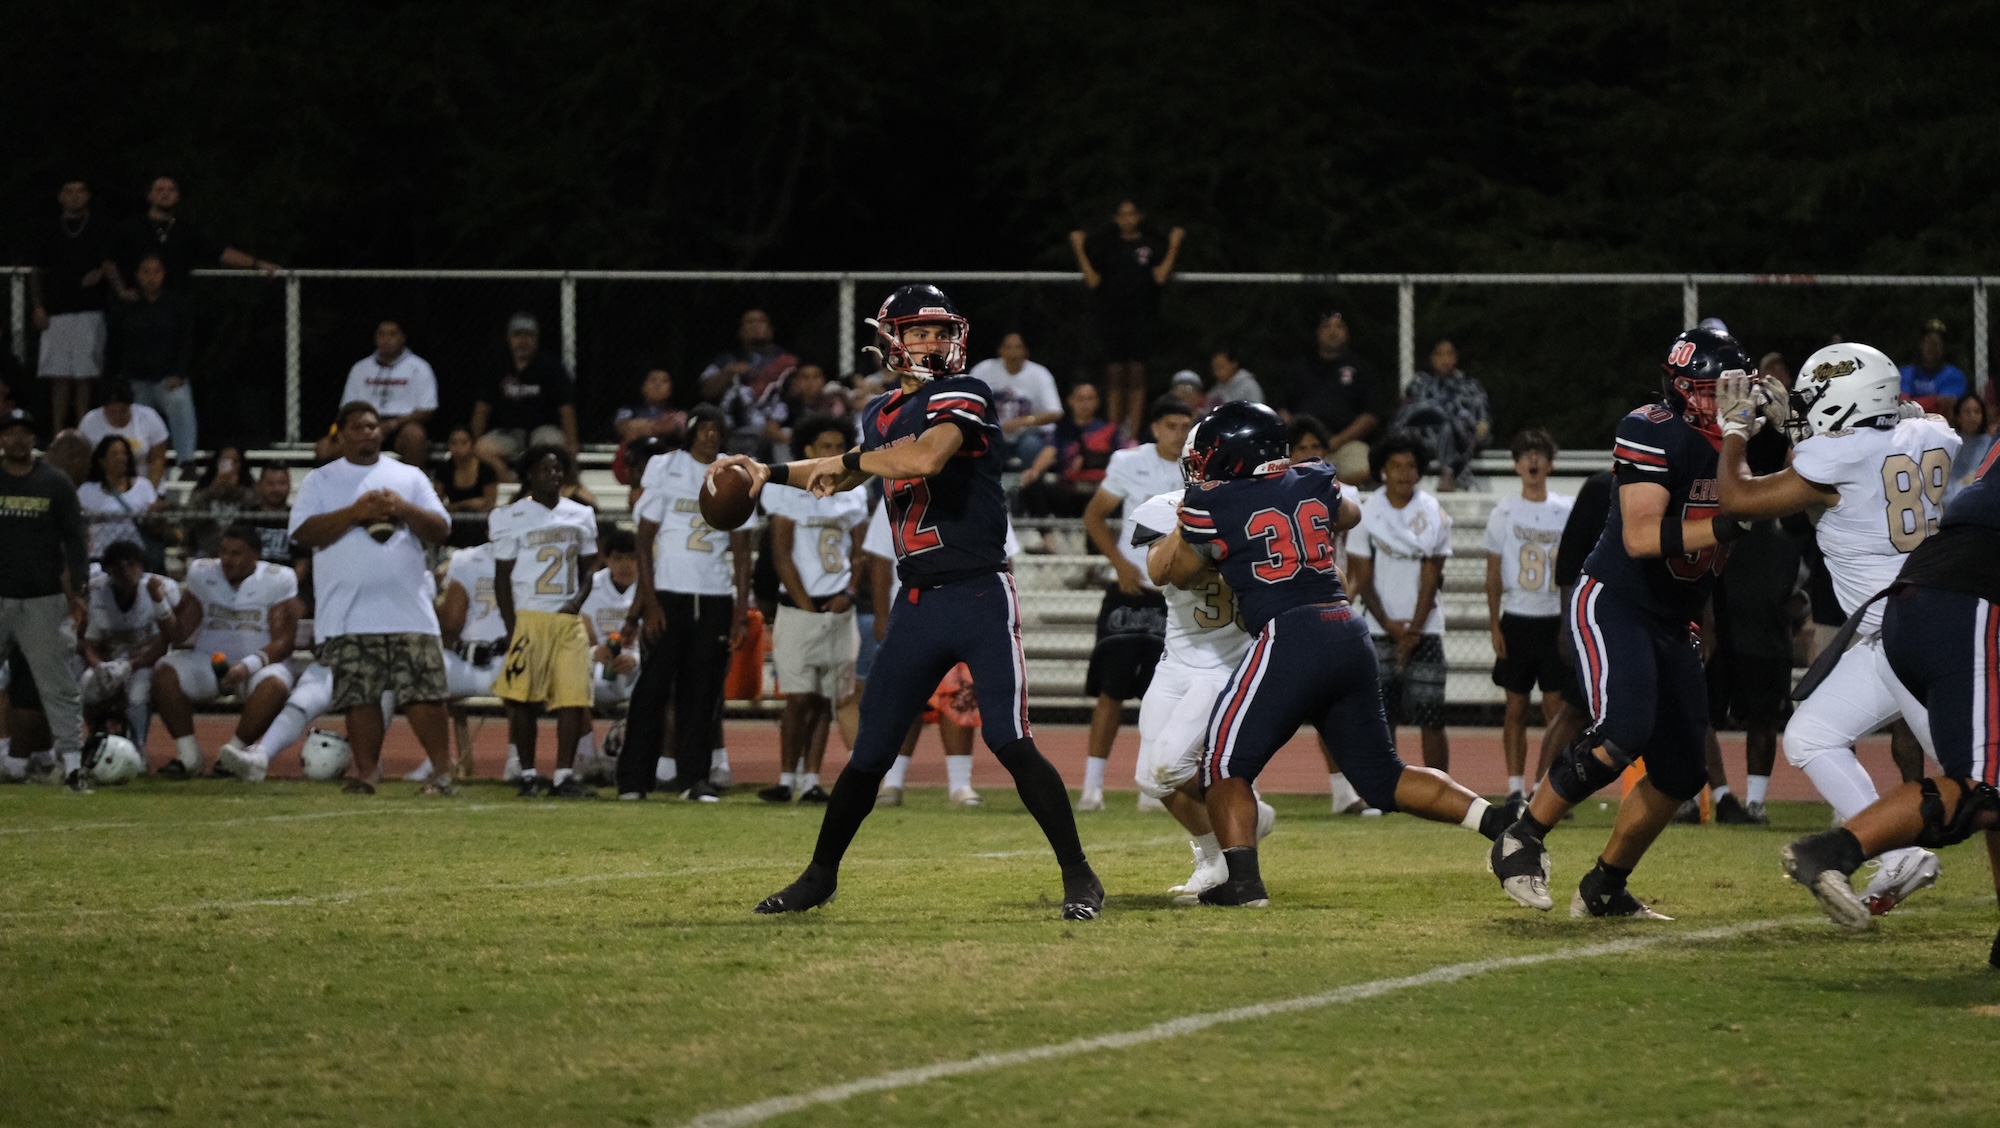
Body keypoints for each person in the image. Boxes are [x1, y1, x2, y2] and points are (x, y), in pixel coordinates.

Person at [721, 283, 1102, 920]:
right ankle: (819, 877)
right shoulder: (879, 413)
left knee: (1010, 739)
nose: (933, 342)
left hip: (980, 592)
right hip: (918, 601)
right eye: (919, 332)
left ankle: (1080, 876)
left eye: (940, 331)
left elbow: (923, 458)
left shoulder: (964, 393)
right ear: (892, 340)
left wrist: (854, 460)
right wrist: (769, 473)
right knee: (871, 752)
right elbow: (847, 471)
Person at [1157, 401, 1520, 906]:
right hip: (1346, 628)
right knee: (1383, 777)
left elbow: (1176, 573)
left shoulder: (1213, 501)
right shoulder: (1313, 477)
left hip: (1289, 634)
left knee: (1222, 764)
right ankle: (1501, 822)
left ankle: (1242, 883)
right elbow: (1348, 514)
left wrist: (1200, 525)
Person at [1489, 326, 1758, 919]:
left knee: (1682, 771)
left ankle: (1605, 886)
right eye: (1714, 389)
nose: (1727, 401)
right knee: (1622, 732)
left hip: (1676, 616)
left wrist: (1802, 440)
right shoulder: (1652, 428)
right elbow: (1641, 537)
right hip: (1618, 601)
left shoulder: (1745, 439)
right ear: (1682, 390)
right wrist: (1730, 522)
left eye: (1736, 388)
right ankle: (1520, 838)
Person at [1714, 344, 1960, 911]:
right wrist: (1801, 429)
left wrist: (1735, 433)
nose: (1806, 408)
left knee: (1978, 777)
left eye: (1815, 399)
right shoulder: (1934, 435)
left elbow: (1738, 499)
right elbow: (1878, 442)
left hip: (1912, 641)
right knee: (1810, 735)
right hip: (1900, 633)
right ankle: (1900, 856)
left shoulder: (1838, 458)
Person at [1780, 436, 2000, 953]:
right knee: (1982, 784)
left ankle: (1885, 855)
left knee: (1986, 781)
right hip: (1963, 604)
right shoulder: (1922, 437)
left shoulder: (1879, 442)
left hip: (1911, 607)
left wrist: (1749, 436)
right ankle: (1840, 849)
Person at [286, 401, 455, 795]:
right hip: (348, 610)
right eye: (359, 427)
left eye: (374, 426)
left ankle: (442, 772)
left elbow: (441, 529)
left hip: (409, 609)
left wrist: (403, 508)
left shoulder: (408, 476)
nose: (368, 433)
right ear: (341, 434)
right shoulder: (321, 480)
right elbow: (303, 534)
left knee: (424, 694)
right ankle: (367, 772)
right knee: (360, 696)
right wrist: (355, 512)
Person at [1129, 455, 1270, 898]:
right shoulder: (1165, 506)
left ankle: (1245, 813)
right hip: (1176, 662)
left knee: (1170, 766)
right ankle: (1216, 859)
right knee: (1150, 778)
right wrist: (1186, 521)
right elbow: (1157, 571)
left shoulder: (1262, 511)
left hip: (1226, 666)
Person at [619, 405, 752, 800]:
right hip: (670, 593)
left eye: (716, 429)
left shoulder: (735, 471)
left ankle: (694, 779)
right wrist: (650, 603)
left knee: (703, 692)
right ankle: (633, 779)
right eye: (703, 428)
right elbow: (644, 539)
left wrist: (740, 610)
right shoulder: (665, 466)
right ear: (691, 432)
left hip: (714, 594)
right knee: (652, 688)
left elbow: (742, 549)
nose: (710, 435)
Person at [1075, 396, 1191, 810]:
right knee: (1112, 689)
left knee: (1164, 693)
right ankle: (1092, 787)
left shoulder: (1195, 467)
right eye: (1171, 425)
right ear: (1155, 428)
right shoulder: (1129, 462)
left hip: (1174, 595)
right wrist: (1120, 564)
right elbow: (1094, 515)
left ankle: (1153, 785)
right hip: (1129, 588)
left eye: (1185, 426)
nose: (1179, 433)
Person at [760, 414, 869, 804]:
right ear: (807, 450)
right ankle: (785, 777)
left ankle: (810, 780)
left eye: (839, 447)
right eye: (826, 446)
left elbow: (861, 551)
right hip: (800, 606)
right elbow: (781, 554)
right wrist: (808, 606)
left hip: (839, 604)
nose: (834, 453)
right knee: (799, 697)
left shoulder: (853, 492)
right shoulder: (789, 490)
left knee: (825, 698)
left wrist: (849, 593)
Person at [490, 445, 600, 799]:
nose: (553, 475)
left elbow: (589, 568)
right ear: (529, 474)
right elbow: (502, 578)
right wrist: (512, 626)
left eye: (557, 469)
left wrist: (576, 603)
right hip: (530, 616)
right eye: (544, 469)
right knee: (522, 701)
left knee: (573, 698)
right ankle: (527, 773)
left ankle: (564, 775)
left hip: (566, 619)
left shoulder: (581, 514)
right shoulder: (510, 516)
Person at [151, 523, 302, 778]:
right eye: (223, 552)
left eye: (236, 553)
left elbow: (284, 642)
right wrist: (160, 604)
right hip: (209, 661)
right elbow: (178, 634)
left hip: (258, 665)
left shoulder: (278, 578)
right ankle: (189, 755)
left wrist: (247, 666)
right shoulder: (202, 572)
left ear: (255, 555)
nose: (227, 560)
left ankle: (232, 754)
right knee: (164, 673)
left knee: (274, 685)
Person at [1347, 433, 1453, 771]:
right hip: (1379, 628)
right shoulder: (1366, 514)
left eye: (1410, 466)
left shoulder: (1434, 512)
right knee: (1382, 717)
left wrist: (1414, 630)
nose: (1404, 474)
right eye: (1396, 466)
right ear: (1383, 470)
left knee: (1432, 717)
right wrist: (1391, 626)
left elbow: (1432, 575)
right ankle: (1386, 788)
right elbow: (1362, 577)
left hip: (1426, 629)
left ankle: (1441, 786)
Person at [0, 407, 91, 791]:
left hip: (43, 599)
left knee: (58, 688)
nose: (18, 439)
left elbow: (75, 538)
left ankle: (73, 767)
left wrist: (79, 588)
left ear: (34, 439)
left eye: (25, 432)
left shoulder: (55, 483)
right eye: (10, 432)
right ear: (2, 439)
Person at [1483, 429, 1574, 802]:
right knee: (1516, 707)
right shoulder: (1504, 512)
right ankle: (1515, 787)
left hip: (1553, 617)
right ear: (1515, 464)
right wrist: (1494, 623)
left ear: (1550, 463)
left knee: (1556, 709)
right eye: (1525, 454)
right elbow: (1493, 572)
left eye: (1539, 454)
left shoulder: (1565, 509)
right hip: (1518, 616)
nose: (1532, 460)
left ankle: (1550, 788)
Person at [1069, 200, 1185, 438]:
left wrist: (1174, 244)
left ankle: (1131, 435)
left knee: (1137, 374)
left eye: (1131, 214)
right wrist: (1078, 247)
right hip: (1112, 316)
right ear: (1115, 218)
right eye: (1122, 215)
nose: (1127, 219)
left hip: (1142, 316)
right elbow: (1093, 280)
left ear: (1139, 216)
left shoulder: (1149, 245)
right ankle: (1114, 434)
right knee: (1114, 374)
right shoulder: (1107, 246)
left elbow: (1160, 276)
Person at [79, 539, 185, 750]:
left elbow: (163, 642)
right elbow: (88, 643)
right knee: (85, 688)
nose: (126, 572)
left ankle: (138, 748)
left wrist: (130, 666)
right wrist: (99, 666)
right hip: (110, 660)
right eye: (118, 566)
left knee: (137, 694)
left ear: (142, 566)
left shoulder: (159, 589)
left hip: (146, 661)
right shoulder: (97, 591)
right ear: (108, 569)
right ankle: (93, 740)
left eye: (132, 564)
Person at [29, 179, 116, 432]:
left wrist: (100, 272)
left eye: (80, 191)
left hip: (90, 309)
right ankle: (59, 432)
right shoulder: (48, 229)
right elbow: (36, 269)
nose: (75, 196)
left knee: (85, 376)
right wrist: (38, 306)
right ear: (60, 197)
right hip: (57, 310)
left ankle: (83, 431)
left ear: (88, 196)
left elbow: (112, 260)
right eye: (69, 191)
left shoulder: (100, 227)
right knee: (59, 376)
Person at [108, 175, 280, 294]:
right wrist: (121, 290)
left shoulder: (187, 229)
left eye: (171, 190)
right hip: (136, 305)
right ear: (149, 195)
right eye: (159, 189)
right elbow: (109, 260)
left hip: (174, 305)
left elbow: (220, 252)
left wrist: (257, 264)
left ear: (178, 196)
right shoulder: (130, 226)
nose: (165, 193)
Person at [105, 256, 197, 473]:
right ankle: (135, 463)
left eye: (156, 272)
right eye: (145, 272)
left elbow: (187, 341)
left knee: (180, 400)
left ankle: (186, 461)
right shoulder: (125, 307)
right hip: (135, 381)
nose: (151, 277)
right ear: (137, 275)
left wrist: (179, 373)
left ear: (163, 274)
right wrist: (113, 381)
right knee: (131, 413)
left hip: (167, 379)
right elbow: (113, 346)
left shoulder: (176, 304)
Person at [432, 541, 509, 782]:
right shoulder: (537, 557)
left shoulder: (465, 559)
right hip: (514, 665)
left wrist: (459, 647)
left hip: (466, 667)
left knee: (423, 676)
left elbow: (451, 623)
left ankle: (438, 761)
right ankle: (519, 761)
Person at [572, 529, 643, 785]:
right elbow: (581, 627)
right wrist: (595, 652)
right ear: (607, 559)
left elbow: (659, 637)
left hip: (639, 665)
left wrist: (636, 659)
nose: (625, 565)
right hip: (600, 666)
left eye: (632, 558)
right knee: (573, 686)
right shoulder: (592, 585)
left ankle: (645, 761)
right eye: (618, 558)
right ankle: (587, 757)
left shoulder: (651, 585)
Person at [471, 313, 577, 477]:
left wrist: (572, 443)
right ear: (509, 338)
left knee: (556, 448)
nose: (523, 341)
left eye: (528, 335)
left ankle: (538, 486)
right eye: (517, 335)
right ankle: (511, 483)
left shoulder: (551, 367)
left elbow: (566, 408)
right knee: (480, 449)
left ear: (536, 338)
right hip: (508, 433)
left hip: (543, 431)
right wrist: (474, 439)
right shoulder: (497, 366)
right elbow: (482, 408)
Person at [1282, 313, 1380, 484]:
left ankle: (1330, 487)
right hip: (1302, 444)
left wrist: (1337, 441)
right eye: (1326, 326)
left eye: (1339, 326)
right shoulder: (1299, 367)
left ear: (1348, 333)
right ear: (1317, 332)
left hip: (1344, 445)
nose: (1333, 332)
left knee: (1365, 468)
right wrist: (1298, 437)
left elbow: (1370, 416)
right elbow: (1282, 409)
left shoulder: (1362, 368)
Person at [1017, 382, 1127, 520]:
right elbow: (1050, 450)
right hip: (1069, 490)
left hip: (1097, 491)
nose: (1085, 404)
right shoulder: (1061, 430)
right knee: (1032, 487)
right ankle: (1048, 533)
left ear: (1097, 402)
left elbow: (1120, 459)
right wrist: (1035, 470)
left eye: (1090, 399)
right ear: (1071, 401)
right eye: (1080, 399)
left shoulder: (1109, 430)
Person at [1394, 339, 1492, 491]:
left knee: (1459, 422)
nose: (1445, 360)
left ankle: (1450, 471)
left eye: (1449, 354)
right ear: (1432, 358)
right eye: (1439, 355)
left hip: (1461, 439)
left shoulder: (1471, 386)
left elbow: (1482, 420)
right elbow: (1406, 414)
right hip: (1424, 438)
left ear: (1455, 357)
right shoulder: (1420, 383)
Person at [336, 320, 436, 466]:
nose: (386, 339)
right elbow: (348, 407)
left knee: (415, 435)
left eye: (392, 334)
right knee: (328, 446)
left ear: (403, 338)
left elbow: (426, 410)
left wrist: (392, 424)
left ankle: (413, 479)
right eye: (381, 334)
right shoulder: (361, 368)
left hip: (402, 425)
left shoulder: (419, 368)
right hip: (366, 422)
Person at [701, 309, 799, 457]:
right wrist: (729, 372)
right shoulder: (728, 359)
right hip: (739, 429)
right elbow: (706, 390)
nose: (755, 325)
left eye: (761, 321)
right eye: (750, 322)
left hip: (779, 428)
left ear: (770, 329)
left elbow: (800, 392)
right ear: (741, 331)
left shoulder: (786, 360)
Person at [967, 333, 1062, 470]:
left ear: (1025, 351)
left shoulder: (1040, 374)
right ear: (1000, 350)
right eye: (1008, 347)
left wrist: (1022, 422)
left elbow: (1055, 413)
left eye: (1018, 347)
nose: (1013, 352)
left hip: (1028, 434)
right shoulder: (983, 370)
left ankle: (1029, 481)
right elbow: (966, 402)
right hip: (993, 434)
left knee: (1031, 446)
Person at [76, 434, 161, 561]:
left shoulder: (143, 486)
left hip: (136, 557)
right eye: (114, 454)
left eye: (124, 453)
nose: (120, 458)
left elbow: (154, 520)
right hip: (100, 556)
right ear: (102, 461)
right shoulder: (86, 490)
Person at [76, 380, 169, 485]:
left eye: (123, 411)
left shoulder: (149, 417)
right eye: (113, 412)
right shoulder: (89, 421)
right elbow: (82, 460)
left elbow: (158, 459)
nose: (118, 416)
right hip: (101, 484)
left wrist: (149, 490)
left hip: (143, 482)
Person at [613, 368, 687, 485]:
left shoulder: (680, 414)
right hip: (635, 467)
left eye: (664, 381)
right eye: (653, 380)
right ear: (643, 386)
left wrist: (645, 428)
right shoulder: (628, 411)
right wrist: (662, 428)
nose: (658, 384)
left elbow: (681, 430)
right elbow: (627, 430)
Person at [433, 426, 499, 548]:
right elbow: (436, 506)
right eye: (454, 443)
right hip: (453, 525)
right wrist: (467, 504)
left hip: (480, 527)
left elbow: (489, 505)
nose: (458, 448)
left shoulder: (486, 470)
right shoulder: (443, 470)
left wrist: (456, 507)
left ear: (472, 445)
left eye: (463, 443)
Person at [1898, 319, 1967, 415]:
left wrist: (1914, 403)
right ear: (1921, 345)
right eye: (1928, 342)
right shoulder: (1905, 373)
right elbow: (1901, 404)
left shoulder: (1954, 376)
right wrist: (1935, 400)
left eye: (1937, 344)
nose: (1932, 347)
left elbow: (1947, 407)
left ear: (1944, 347)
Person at [1945, 393, 1994, 504]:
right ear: (1958, 417)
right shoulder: (1949, 442)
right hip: (1950, 500)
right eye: (1967, 412)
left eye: (1977, 412)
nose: (1972, 416)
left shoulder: (1990, 444)